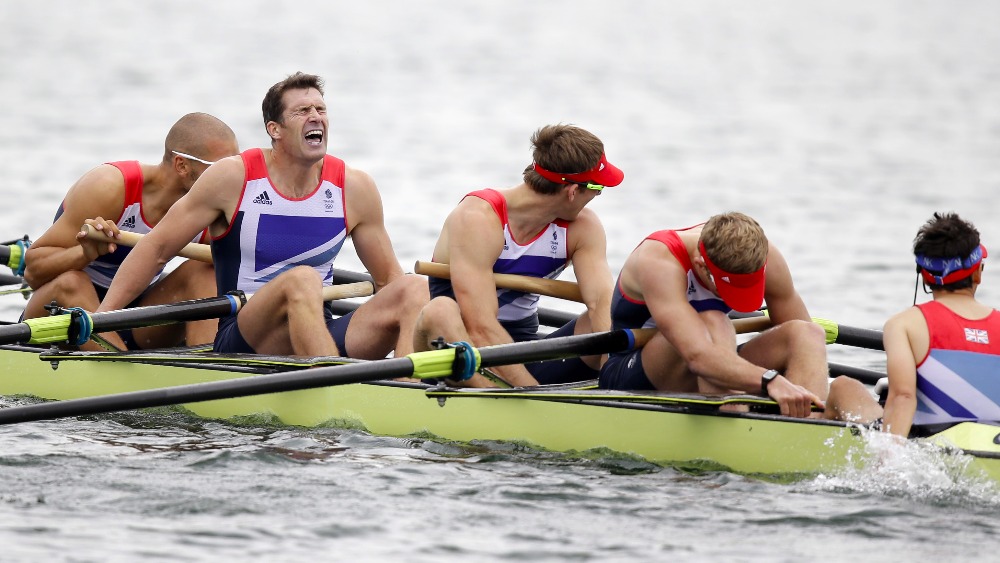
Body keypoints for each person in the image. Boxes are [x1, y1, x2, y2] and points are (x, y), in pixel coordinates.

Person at [94, 72, 426, 360]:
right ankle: (330, 386)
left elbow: (387, 281)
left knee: (413, 289)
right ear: (275, 129)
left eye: (320, 109)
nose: (315, 117)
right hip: (245, 337)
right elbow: (156, 249)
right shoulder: (233, 178)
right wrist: (102, 319)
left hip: (319, 328)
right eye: (302, 111)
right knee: (303, 279)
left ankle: (409, 389)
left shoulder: (354, 188)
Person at [412, 124, 623, 387]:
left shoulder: (584, 227)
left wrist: (612, 380)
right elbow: (481, 327)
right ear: (572, 191)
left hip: (523, 352)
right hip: (463, 351)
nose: (596, 196)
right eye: (598, 188)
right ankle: (515, 402)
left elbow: (602, 303)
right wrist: (532, 395)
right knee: (439, 310)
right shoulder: (478, 218)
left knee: (606, 322)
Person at [22, 112, 240, 350]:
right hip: (57, 319)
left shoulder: (212, 210)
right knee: (73, 282)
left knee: (205, 271)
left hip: (131, 321)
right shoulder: (109, 187)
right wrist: (84, 254)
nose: (230, 177)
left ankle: (209, 366)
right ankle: (125, 369)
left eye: (234, 166)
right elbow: (32, 273)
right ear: (182, 165)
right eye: (219, 167)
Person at [598, 212, 828, 418]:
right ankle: (734, 424)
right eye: (728, 289)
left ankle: (808, 424)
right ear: (700, 265)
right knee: (713, 321)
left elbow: (797, 345)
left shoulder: (764, 256)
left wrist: (797, 378)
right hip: (632, 373)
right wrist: (770, 380)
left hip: (715, 359)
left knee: (807, 333)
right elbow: (698, 357)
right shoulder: (660, 258)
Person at [824, 212, 1000, 436]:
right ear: (977, 274)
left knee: (842, 387)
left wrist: (888, 463)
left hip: (929, 445)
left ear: (924, 276)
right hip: (992, 446)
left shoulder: (905, 325)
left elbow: (903, 397)